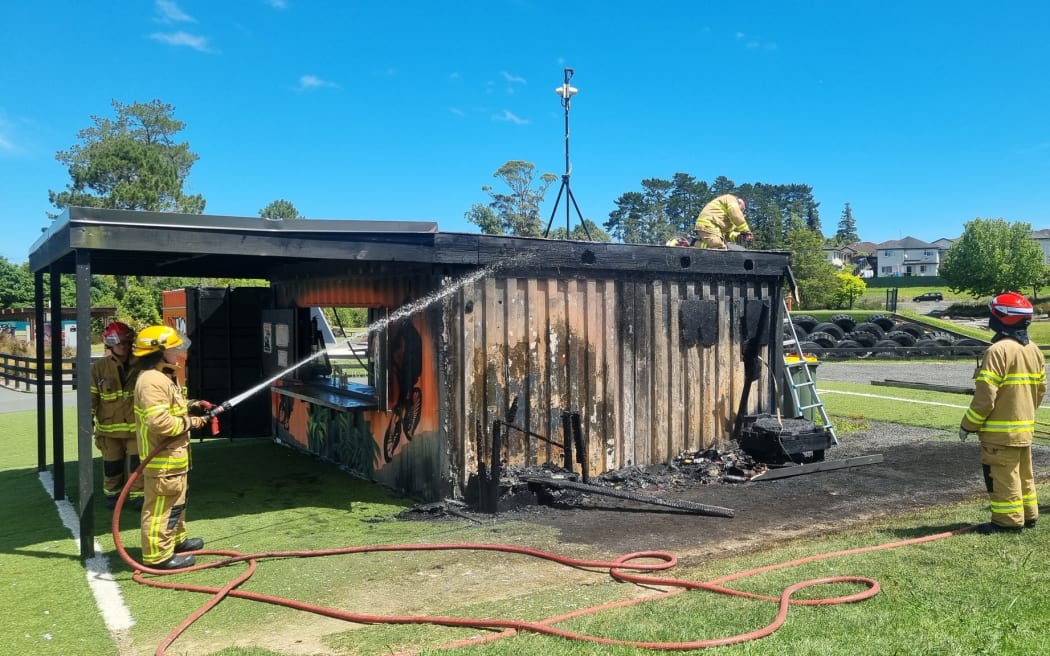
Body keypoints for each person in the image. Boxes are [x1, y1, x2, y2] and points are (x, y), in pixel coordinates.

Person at [959, 292, 1045, 534]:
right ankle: (1029, 515)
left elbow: (985, 398)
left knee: (1002, 475)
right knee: (1024, 474)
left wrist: (968, 425)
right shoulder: (1034, 351)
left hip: (1000, 434)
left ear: (1000, 318)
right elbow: (1040, 391)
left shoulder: (998, 351)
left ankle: (1006, 521)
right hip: (1024, 429)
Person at [132, 325, 209, 569]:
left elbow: (171, 406)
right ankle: (158, 557)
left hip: (173, 459)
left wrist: (193, 404)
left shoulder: (161, 376)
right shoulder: (152, 381)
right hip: (163, 461)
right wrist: (193, 422)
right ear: (158, 352)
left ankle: (176, 541)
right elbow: (160, 423)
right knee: (161, 509)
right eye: (173, 348)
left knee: (177, 504)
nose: (178, 352)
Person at [90, 322, 144, 510]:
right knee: (112, 466)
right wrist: (87, 420)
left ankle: (138, 496)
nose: (122, 346)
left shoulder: (142, 364)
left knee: (138, 466)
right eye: (118, 342)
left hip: (136, 429)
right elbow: (91, 397)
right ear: (109, 344)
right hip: (108, 431)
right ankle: (113, 497)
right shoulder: (98, 368)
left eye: (125, 342)